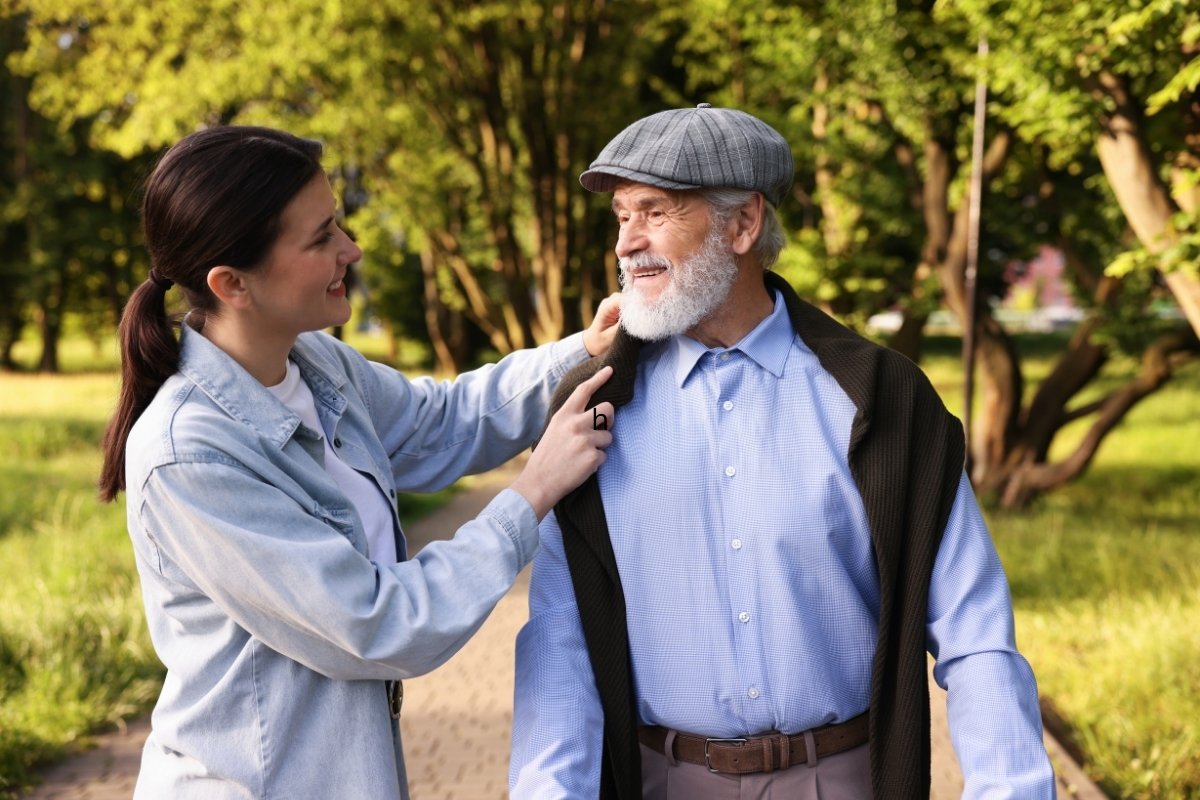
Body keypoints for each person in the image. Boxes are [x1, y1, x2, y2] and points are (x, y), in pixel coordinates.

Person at [509, 104, 1056, 798]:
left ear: (743, 225)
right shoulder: (589, 410)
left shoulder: (883, 400)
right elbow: (560, 640)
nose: (626, 242)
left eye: (654, 212)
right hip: (662, 783)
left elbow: (975, 630)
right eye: (621, 215)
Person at [97, 125, 620, 799]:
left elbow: (440, 423)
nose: (353, 249)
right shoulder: (189, 454)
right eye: (320, 239)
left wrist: (584, 349)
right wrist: (532, 494)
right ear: (231, 284)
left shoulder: (314, 363)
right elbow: (378, 624)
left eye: (337, 223)